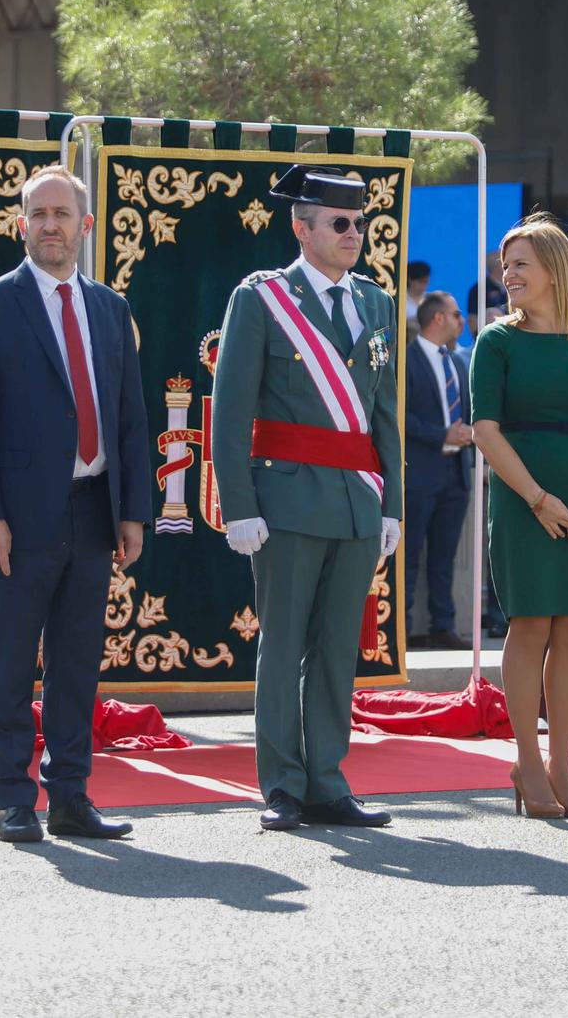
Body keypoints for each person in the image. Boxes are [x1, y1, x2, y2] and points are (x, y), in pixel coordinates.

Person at [0, 165, 150, 843]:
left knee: (76, 661)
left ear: (86, 226)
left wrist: (132, 511)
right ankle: (12, 796)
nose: (51, 225)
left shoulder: (111, 309)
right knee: (9, 659)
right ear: (20, 224)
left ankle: (70, 795)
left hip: (94, 511)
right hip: (18, 516)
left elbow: (128, 417)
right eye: (39, 214)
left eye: (63, 214)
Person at [212, 164, 403, 833]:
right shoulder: (262, 299)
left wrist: (393, 505)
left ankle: (328, 780)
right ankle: (283, 785)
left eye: (361, 223)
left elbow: (384, 414)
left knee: (334, 651)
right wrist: (237, 504)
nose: (355, 234)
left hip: (356, 500)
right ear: (303, 227)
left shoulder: (376, 302)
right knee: (284, 642)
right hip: (286, 498)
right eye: (341, 223)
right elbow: (229, 410)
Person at [470, 213, 568, 819]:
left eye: (519, 265)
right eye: (504, 265)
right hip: (522, 498)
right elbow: (486, 428)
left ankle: (562, 765)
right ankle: (527, 763)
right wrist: (537, 499)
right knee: (532, 624)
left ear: (554, 269)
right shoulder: (498, 340)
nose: (507, 275)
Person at [402, 291, 473, 651]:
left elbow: (468, 410)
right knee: (409, 553)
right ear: (438, 319)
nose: (462, 321)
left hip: (455, 473)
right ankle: (402, 628)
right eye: (456, 314)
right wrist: (441, 434)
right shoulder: (407, 360)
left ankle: (442, 625)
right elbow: (401, 418)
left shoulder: (458, 362)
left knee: (444, 555)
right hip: (419, 473)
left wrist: (470, 432)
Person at [467, 252, 506, 324]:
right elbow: (472, 318)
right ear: (498, 266)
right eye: (505, 262)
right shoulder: (478, 289)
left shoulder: (514, 284)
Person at [405, 260, 431, 325]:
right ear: (410, 279)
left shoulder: (430, 299)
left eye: (426, 282)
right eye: (421, 282)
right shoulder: (400, 300)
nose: (424, 286)